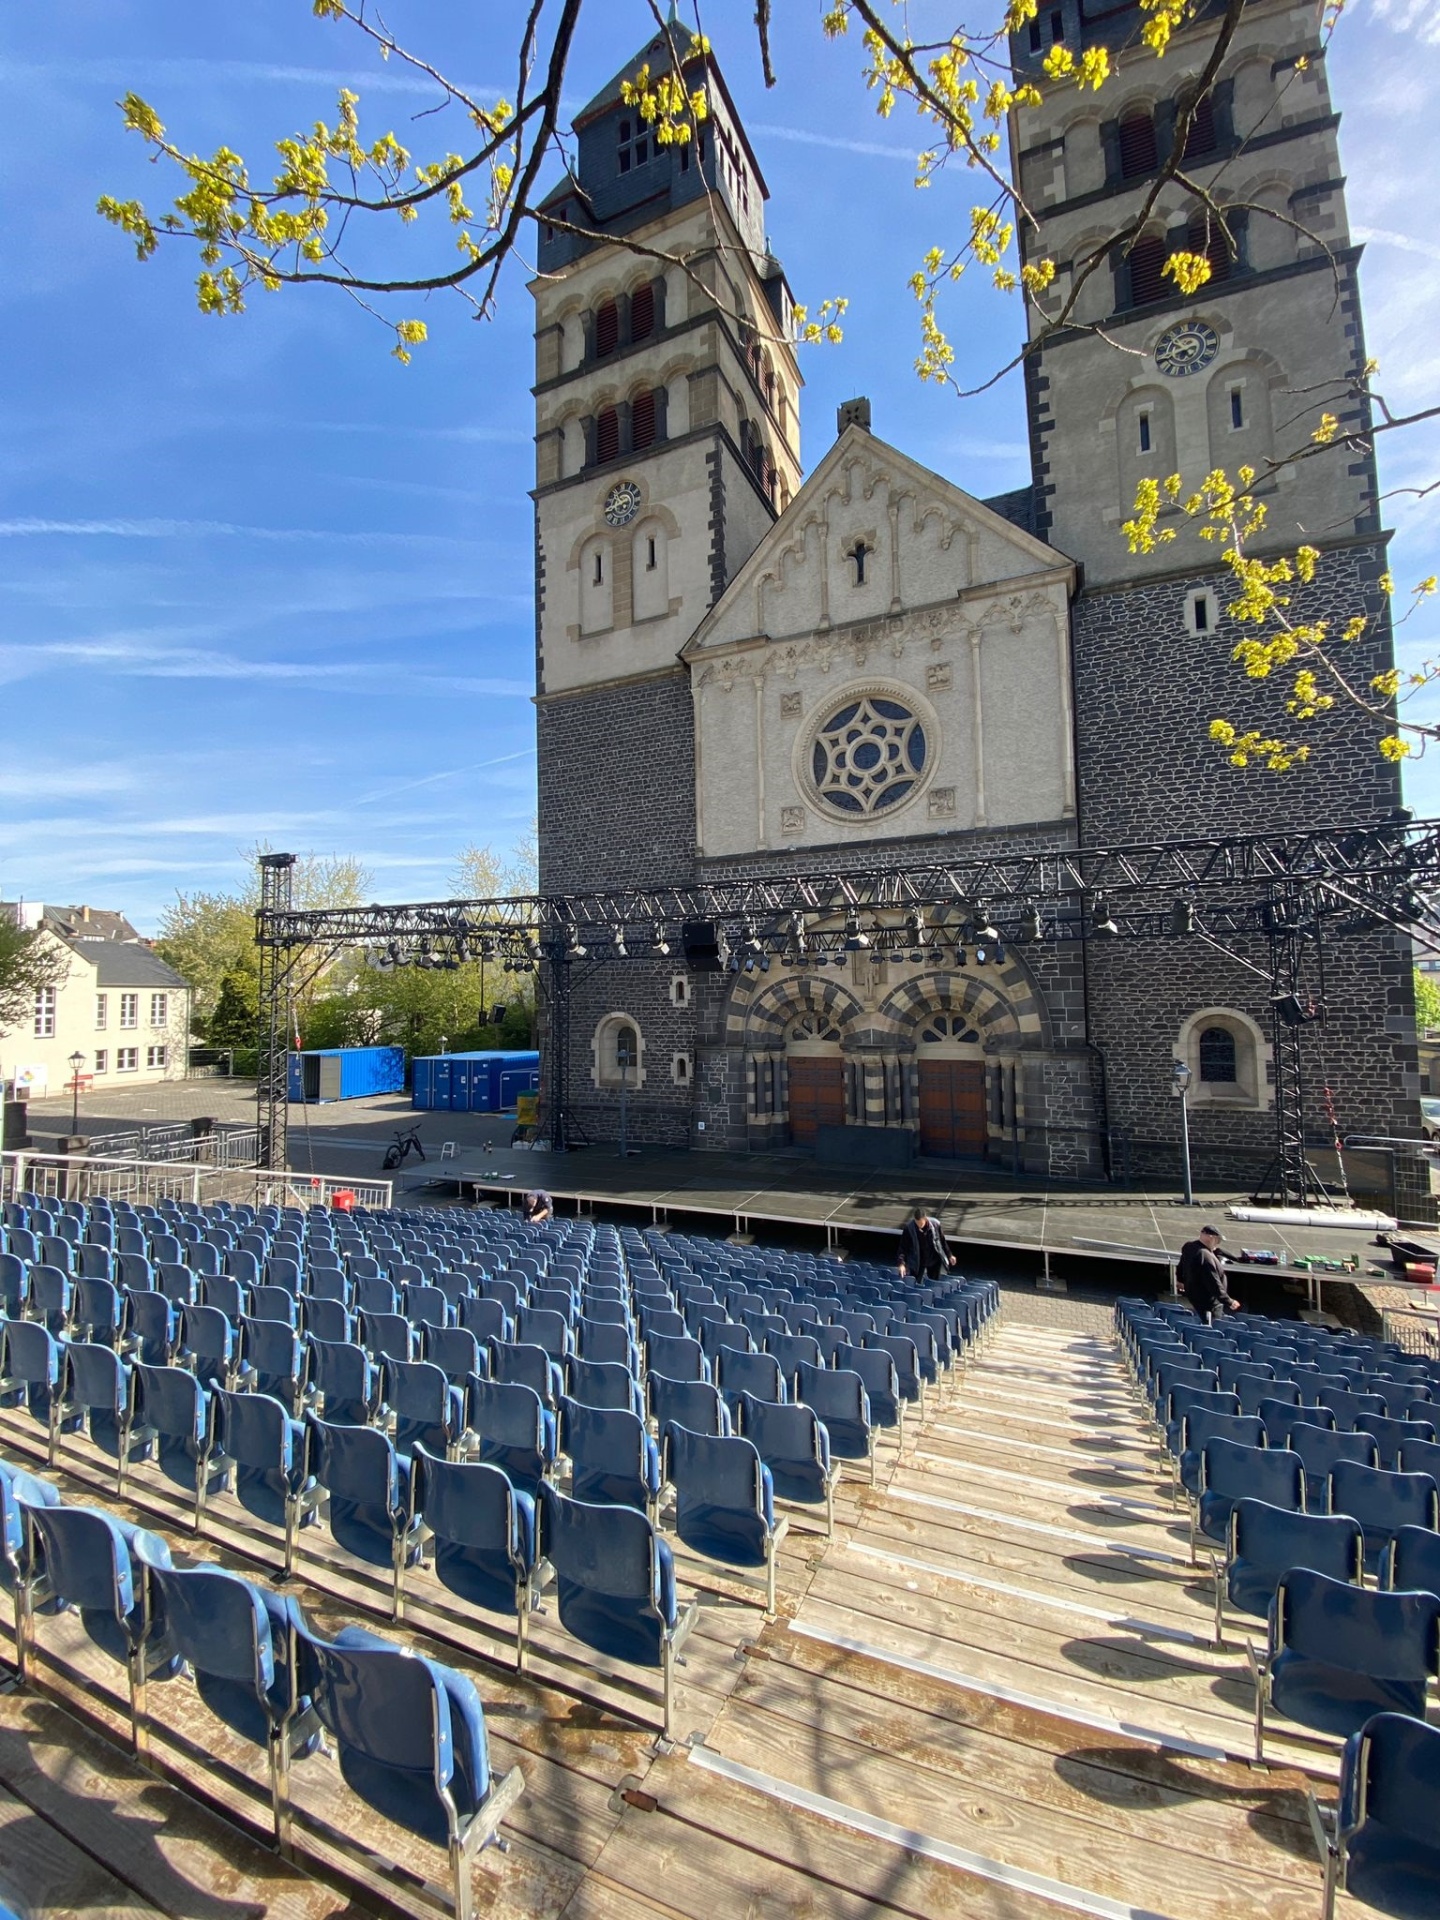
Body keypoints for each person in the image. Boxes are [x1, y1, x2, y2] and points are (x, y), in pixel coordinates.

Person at [1177, 1224, 1239, 1321]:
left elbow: (1181, 1264)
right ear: (1211, 1238)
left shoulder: (1189, 1247)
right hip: (1209, 1303)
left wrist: (1179, 1280)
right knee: (1212, 1326)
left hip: (1193, 1294)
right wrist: (1229, 1301)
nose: (1218, 1243)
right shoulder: (1205, 1256)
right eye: (1218, 1240)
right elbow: (1213, 1282)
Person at [897, 1205, 957, 1281]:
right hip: (918, 1260)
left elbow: (942, 1241)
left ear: (925, 1219)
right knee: (916, 1282)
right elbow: (903, 1248)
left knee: (934, 1282)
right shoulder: (909, 1228)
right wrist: (901, 1264)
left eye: (921, 1224)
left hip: (933, 1259)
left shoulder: (935, 1225)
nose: (919, 1227)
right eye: (917, 1224)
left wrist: (950, 1255)